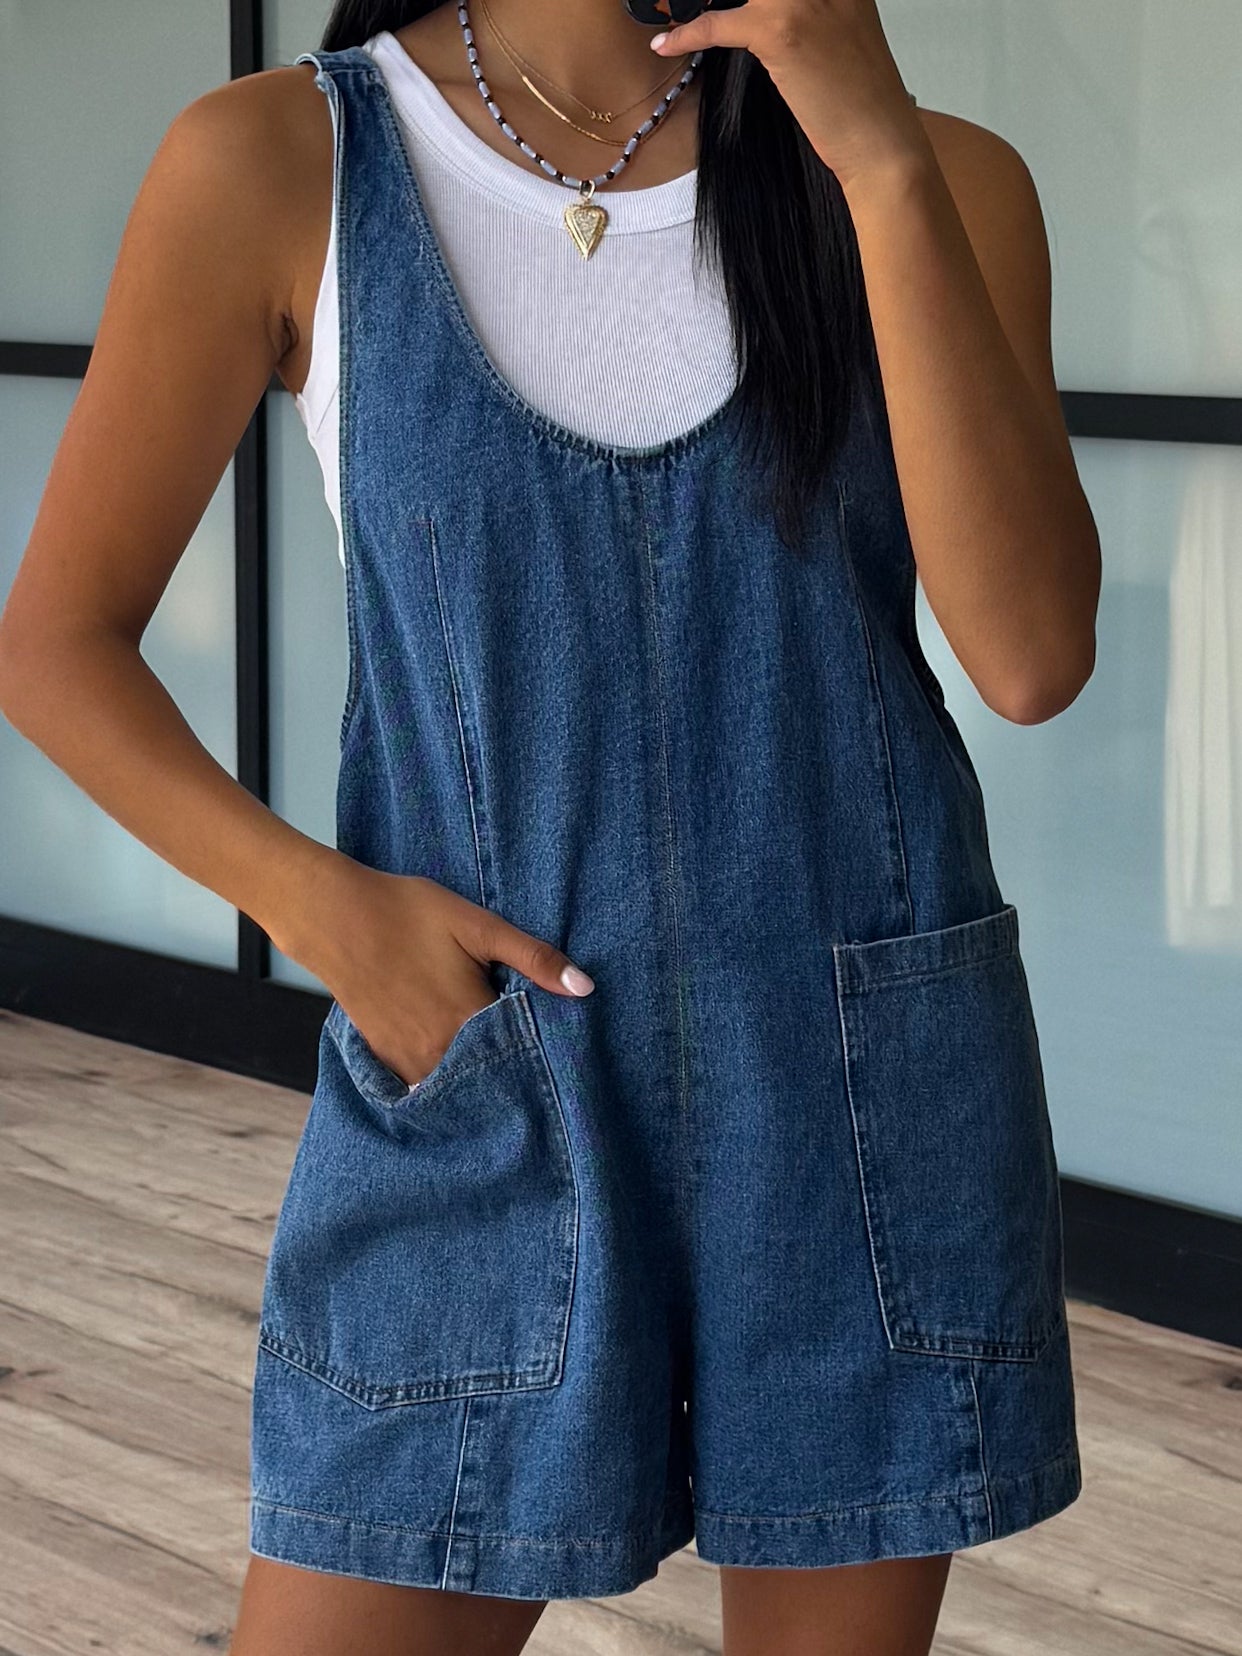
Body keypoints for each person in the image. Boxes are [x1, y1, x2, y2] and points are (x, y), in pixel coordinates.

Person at [0, 0, 1102, 1650]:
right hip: (491, 1077)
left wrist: (875, 155)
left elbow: (1027, 656)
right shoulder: (284, 160)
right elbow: (55, 643)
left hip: (857, 1095)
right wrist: (328, 913)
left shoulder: (935, 176)